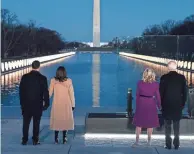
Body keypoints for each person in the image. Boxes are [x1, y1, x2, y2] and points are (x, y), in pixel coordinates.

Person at [19, 60, 50, 145]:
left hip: (26, 104)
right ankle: (35, 140)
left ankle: (24, 139)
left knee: (26, 123)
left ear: (31, 66)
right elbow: (45, 92)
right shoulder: (43, 78)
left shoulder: (24, 77)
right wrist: (47, 104)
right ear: (39, 67)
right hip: (38, 104)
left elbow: (21, 92)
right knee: (36, 123)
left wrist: (22, 104)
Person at [159, 61, 187, 150]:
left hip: (166, 105)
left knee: (167, 126)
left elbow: (160, 93)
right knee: (176, 125)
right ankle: (177, 144)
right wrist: (183, 104)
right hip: (177, 105)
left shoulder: (164, 78)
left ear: (168, 67)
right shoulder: (182, 78)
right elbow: (185, 93)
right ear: (176, 67)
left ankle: (168, 144)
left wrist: (160, 105)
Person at [132, 68, 161, 147]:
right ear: (153, 75)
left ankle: (137, 142)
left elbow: (137, 95)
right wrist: (159, 106)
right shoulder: (156, 84)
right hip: (151, 103)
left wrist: (137, 105)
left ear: (144, 74)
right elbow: (158, 96)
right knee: (150, 124)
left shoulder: (140, 83)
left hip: (141, 103)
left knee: (139, 124)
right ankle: (149, 142)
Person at [49, 66, 75, 144]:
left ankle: (56, 138)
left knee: (57, 120)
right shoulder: (69, 81)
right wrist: (73, 105)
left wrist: (44, 101)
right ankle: (64, 138)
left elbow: (49, 93)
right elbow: (71, 94)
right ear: (64, 72)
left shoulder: (53, 81)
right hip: (66, 104)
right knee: (65, 120)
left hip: (56, 104)